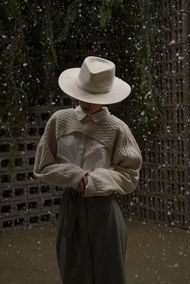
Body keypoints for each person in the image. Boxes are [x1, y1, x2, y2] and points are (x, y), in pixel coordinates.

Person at [33, 56, 142, 284]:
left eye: (94, 96)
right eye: (83, 94)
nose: (86, 101)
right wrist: (74, 176)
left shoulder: (117, 129)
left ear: (107, 97)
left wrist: (95, 181)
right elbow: (42, 166)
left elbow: (130, 175)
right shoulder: (59, 121)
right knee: (73, 270)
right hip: (70, 207)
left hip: (104, 212)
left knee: (109, 273)